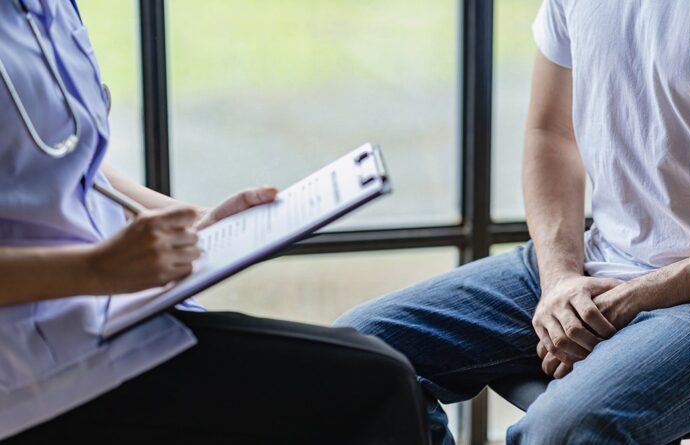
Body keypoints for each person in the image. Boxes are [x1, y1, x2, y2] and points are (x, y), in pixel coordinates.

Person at [335, 1, 690, 444]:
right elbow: (550, 135)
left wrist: (631, 300)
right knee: (357, 359)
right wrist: (559, 280)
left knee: (563, 432)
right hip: (600, 260)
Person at [0, 1, 427, 443]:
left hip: (111, 322)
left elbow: (71, 161)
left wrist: (194, 220)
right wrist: (97, 268)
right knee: (377, 385)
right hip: (32, 376)